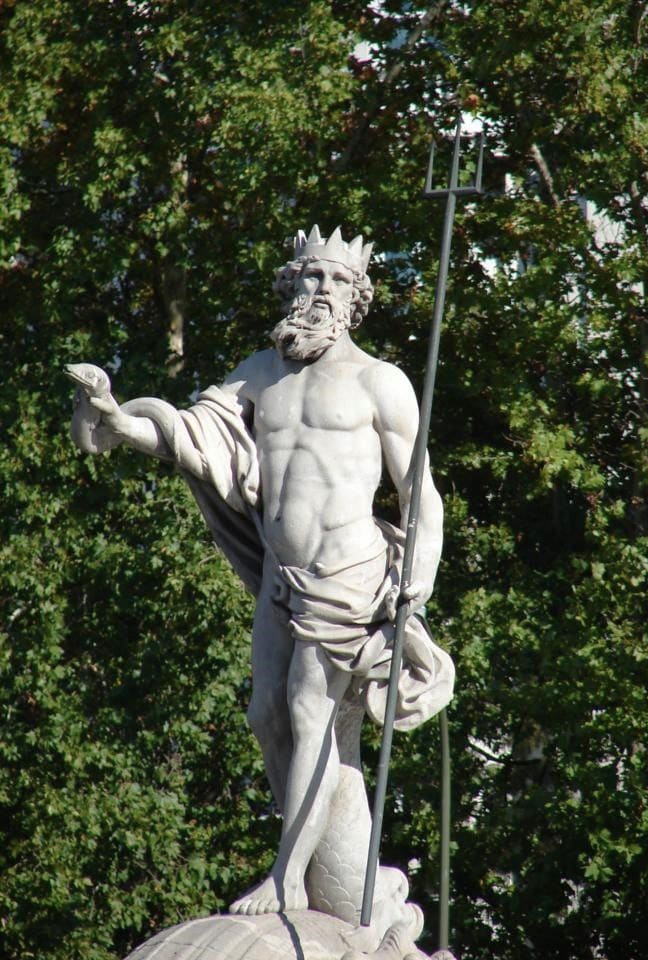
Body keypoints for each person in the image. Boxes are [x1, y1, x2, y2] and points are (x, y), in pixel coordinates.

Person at [68, 226, 453, 932]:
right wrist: (117, 419)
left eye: (332, 283)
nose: (316, 294)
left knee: (310, 710)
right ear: (289, 289)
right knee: (265, 716)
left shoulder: (379, 381)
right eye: (306, 280)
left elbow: (419, 490)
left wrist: (414, 582)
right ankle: (342, 879)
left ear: (355, 300)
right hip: (281, 575)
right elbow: (190, 436)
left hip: (350, 571)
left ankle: (287, 877)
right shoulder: (261, 375)